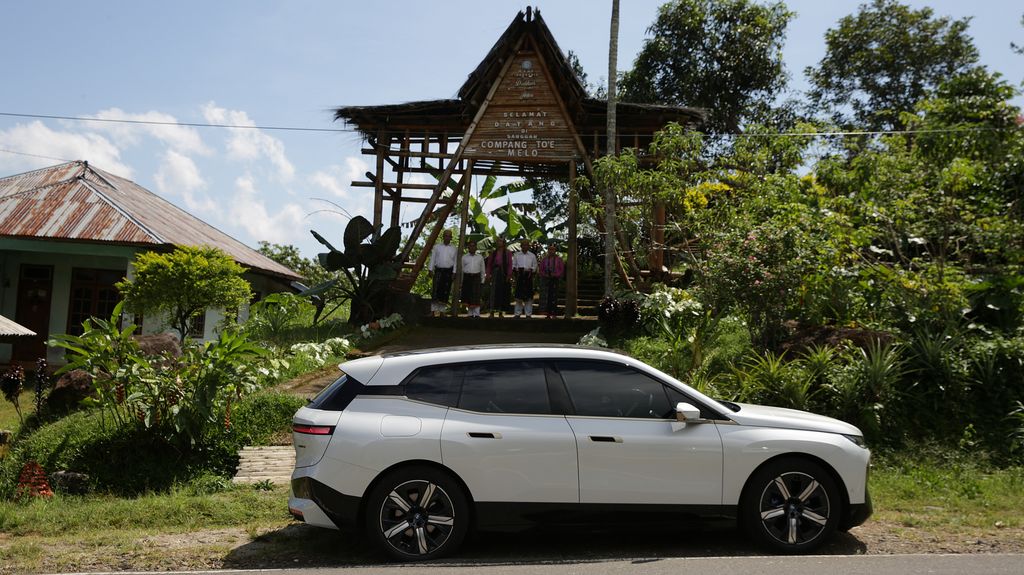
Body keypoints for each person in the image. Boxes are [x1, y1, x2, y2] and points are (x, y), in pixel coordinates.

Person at [428, 229, 456, 316]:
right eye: (446, 235)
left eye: (449, 236)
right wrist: (430, 269)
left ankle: (442, 312)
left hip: (448, 271)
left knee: (445, 291)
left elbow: (455, 261)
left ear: (451, 237)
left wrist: (454, 272)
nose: (447, 237)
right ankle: (433, 311)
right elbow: (432, 258)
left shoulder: (454, 248)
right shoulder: (437, 247)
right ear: (443, 236)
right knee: (436, 290)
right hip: (439, 270)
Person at [485, 237, 513, 317]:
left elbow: (510, 265)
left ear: (504, 242)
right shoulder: (493, 253)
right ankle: (492, 311)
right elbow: (489, 265)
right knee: (493, 292)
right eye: (497, 241)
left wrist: (509, 275)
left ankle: (501, 312)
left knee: (502, 292)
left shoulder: (508, 253)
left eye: (500, 241)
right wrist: (488, 274)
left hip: (503, 273)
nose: (498, 242)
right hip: (495, 273)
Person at [512, 239, 538, 318]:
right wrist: (517, 269)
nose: (525, 246)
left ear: (529, 246)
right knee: (519, 296)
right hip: (519, 276)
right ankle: (517, 313)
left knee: (529, 296)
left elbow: (535, 266)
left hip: (528, 277)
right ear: (521, 246)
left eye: (527, 245)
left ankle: (528, 314)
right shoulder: (516, 255)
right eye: (523, 245)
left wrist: (530, 270)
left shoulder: (532, 255)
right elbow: (513, 265)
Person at [538, 243, 565, 318]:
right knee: (546, 297)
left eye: (552, 249)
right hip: (546, 280)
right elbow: (541, 269)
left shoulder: (559, 260)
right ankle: (547, 313)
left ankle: (554, 313)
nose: (551, 251)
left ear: (555, 250)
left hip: (555, 280)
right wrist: (545, 275)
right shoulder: (544, 259)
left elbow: (561, 270)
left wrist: (556, 275)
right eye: (549, 249)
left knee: (554, 296)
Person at [460, 240, 486, 317]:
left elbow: (482, 270)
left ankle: (477, 314)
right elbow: (462, 270)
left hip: (476, 278)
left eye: (473, 246)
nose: (472, 247)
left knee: (476, 296)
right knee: (468, 296)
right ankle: (470, 314)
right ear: (468, 247)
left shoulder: (480, 257)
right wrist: (461, 282)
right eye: (470, 246)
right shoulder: (464, 257)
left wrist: (482, 280)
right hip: (467, 277)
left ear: (476, 247)